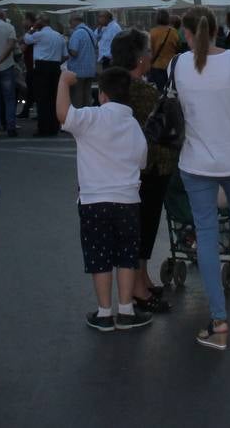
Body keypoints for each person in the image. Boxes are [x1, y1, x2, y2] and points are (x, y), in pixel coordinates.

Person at [174, 7, 230, 350]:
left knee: (207, 235)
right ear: (217, 30)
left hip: (196, 163)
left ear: (186, 32)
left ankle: (219, 321)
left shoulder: (179, 65)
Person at [58, 66, 152, 333]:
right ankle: (125, 309)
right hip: (128, 201)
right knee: (126, 255)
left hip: (93, 200)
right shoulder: (134, 125)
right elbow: (142, 161)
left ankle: (103, 312)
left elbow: (63, 115)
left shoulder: (92, 118)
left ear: (103, 95)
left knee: (99, 255)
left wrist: (63, 82)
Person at [110, 29, 176, 313]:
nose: (151, 56)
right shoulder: (140, 91)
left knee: (145, 226)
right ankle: (137, 288)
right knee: (143, 226)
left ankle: (142, 277)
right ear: (139, 59)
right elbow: (160, 129)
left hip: (134, 167)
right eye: (148, 51)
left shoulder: (117, 85)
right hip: (148, 168)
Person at [23, 17, 67, 136]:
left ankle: (43, 128)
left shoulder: (39, 34)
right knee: (53, 98)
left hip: (42, 67)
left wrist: (32, 28)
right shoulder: (59, 36)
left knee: (42, 99)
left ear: (40, 23)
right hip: (55, 67)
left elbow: (26, 39)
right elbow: (65, 55)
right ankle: (54, 127)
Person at [66, 13, 99, 107]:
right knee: (87, 96)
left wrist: (66, 44)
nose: (70, 24)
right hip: (90, 69)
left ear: (75, 21)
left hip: (78, 71)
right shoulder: (90, 31)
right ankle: (88, 118)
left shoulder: (77, 33)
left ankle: (78, 119)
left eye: (70, 22)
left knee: (77, 98)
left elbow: (74, 52)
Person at [146, 10, 180, 92]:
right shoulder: (173, 32)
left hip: (156, 67)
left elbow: (149, 50)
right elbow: (178, 48)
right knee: (172, 91)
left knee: (160, 92)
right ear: (167, 19)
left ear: (157, 19)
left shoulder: (152, 32)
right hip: (171, 66)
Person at [17, 13, 38, 120]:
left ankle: (27, 111)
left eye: (24, 19)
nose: (22, 22)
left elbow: (22, 46)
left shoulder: (33, 32)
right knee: (31, 89)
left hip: (33, 65)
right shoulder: (31, 31)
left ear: (29, 20)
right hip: (30, 65)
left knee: (32, 89)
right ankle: (26, 110)